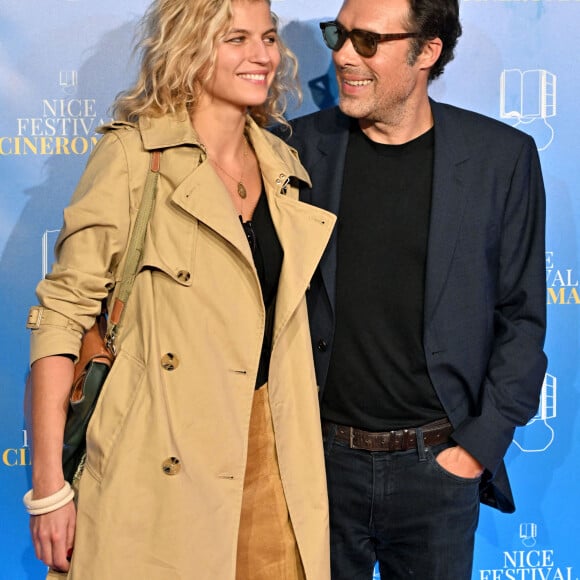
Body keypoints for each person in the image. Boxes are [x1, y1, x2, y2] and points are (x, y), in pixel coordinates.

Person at [23, 0, 336, 578]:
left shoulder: (283, 167)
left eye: (268, 38)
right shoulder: (132, 159)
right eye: (236, 39)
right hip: (158, 455)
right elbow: (60, 323)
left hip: (272, 453)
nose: (262, 55)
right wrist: (49, 489)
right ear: (191, 47)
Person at [276, 0, 547, 577]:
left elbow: (522, 319)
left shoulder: (500, 160)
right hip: (316, 467)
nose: (344, 55)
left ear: (428, 51)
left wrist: (476, 449)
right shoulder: (293, 150)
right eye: (339, 35)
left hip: (438, 474)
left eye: (368, 42)